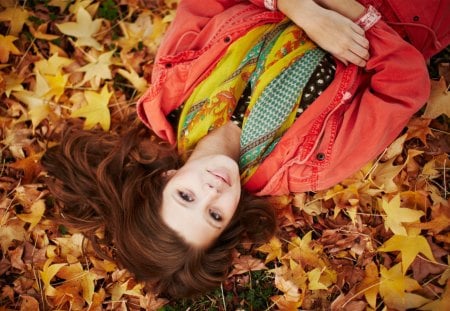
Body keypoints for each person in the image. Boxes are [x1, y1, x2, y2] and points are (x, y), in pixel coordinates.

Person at [42, 0, 449, 298]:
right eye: (215, 214)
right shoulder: (310, 166)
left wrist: (300, 8)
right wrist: (348, 13)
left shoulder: (173, 89)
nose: (213, 190)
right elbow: (405, 83)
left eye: (186, 196)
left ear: (165, 178)